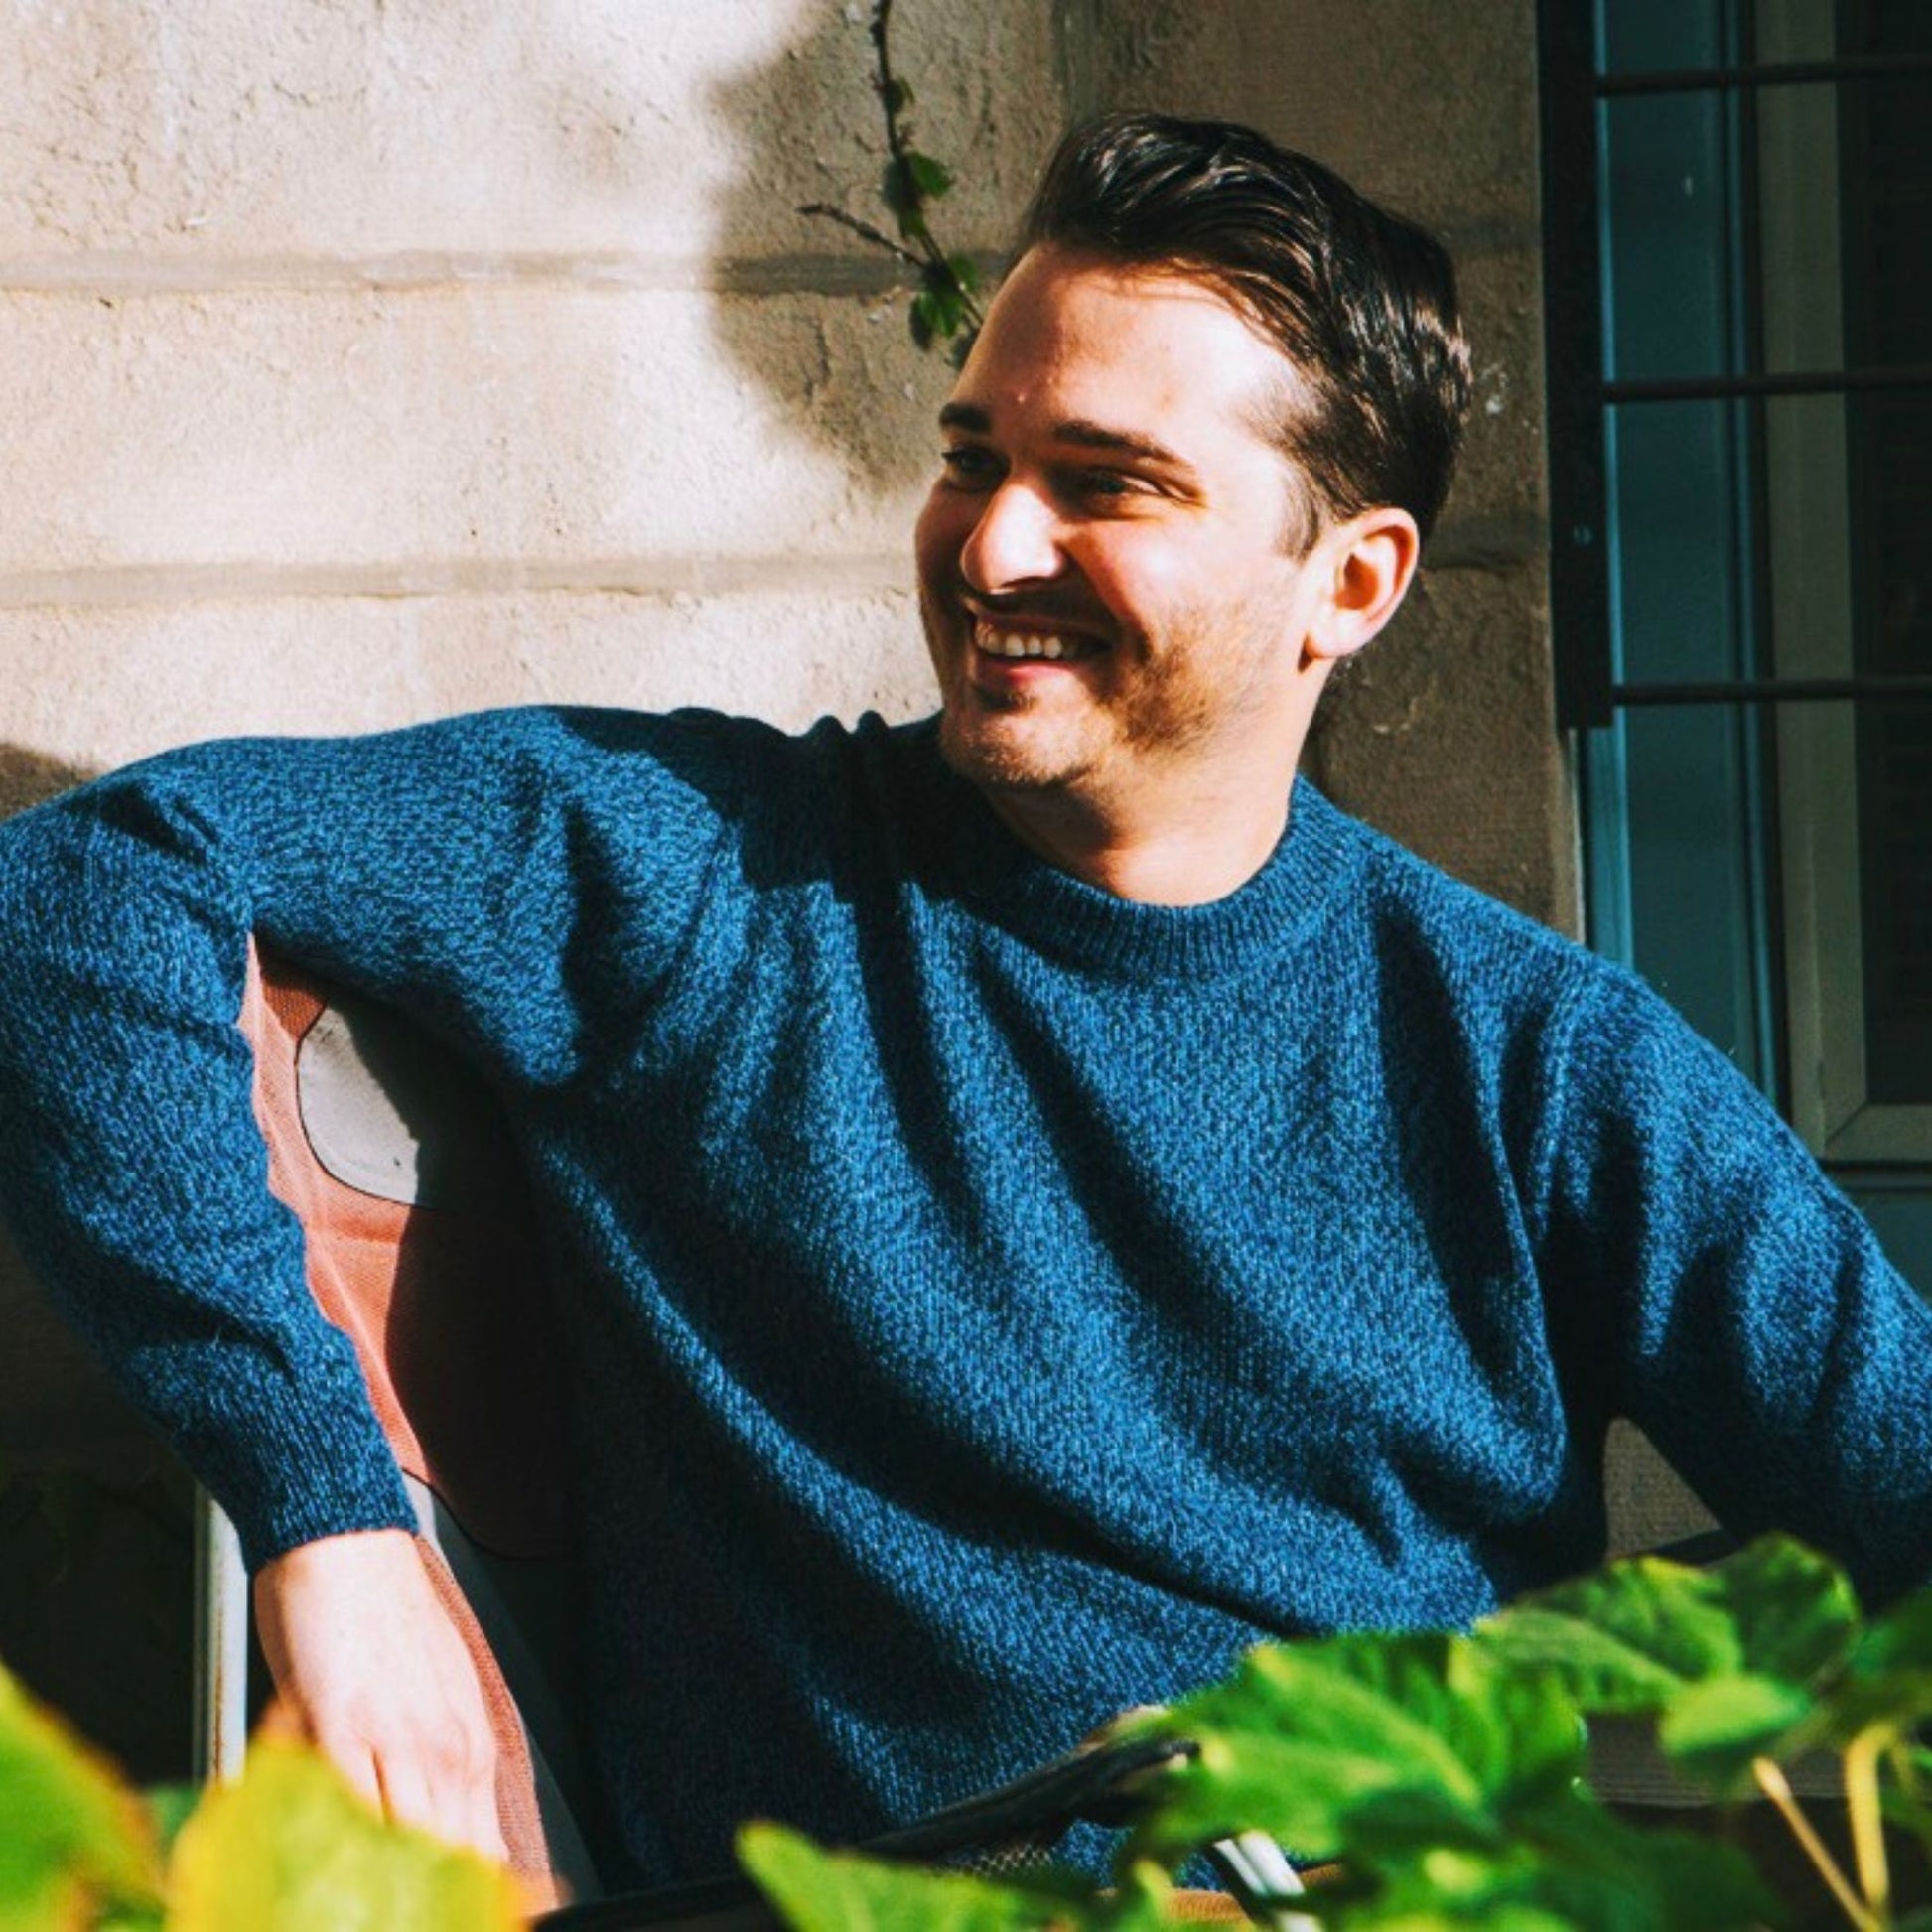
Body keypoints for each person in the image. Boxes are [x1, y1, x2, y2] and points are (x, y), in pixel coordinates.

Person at [2, 111, 1929, 1891]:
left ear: (1348, 582)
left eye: (1107, 484)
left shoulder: (1536, 1065)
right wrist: (325, 1517)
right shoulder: (699, 882)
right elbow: (90, 876)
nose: (994, 544)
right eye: (972, 457)